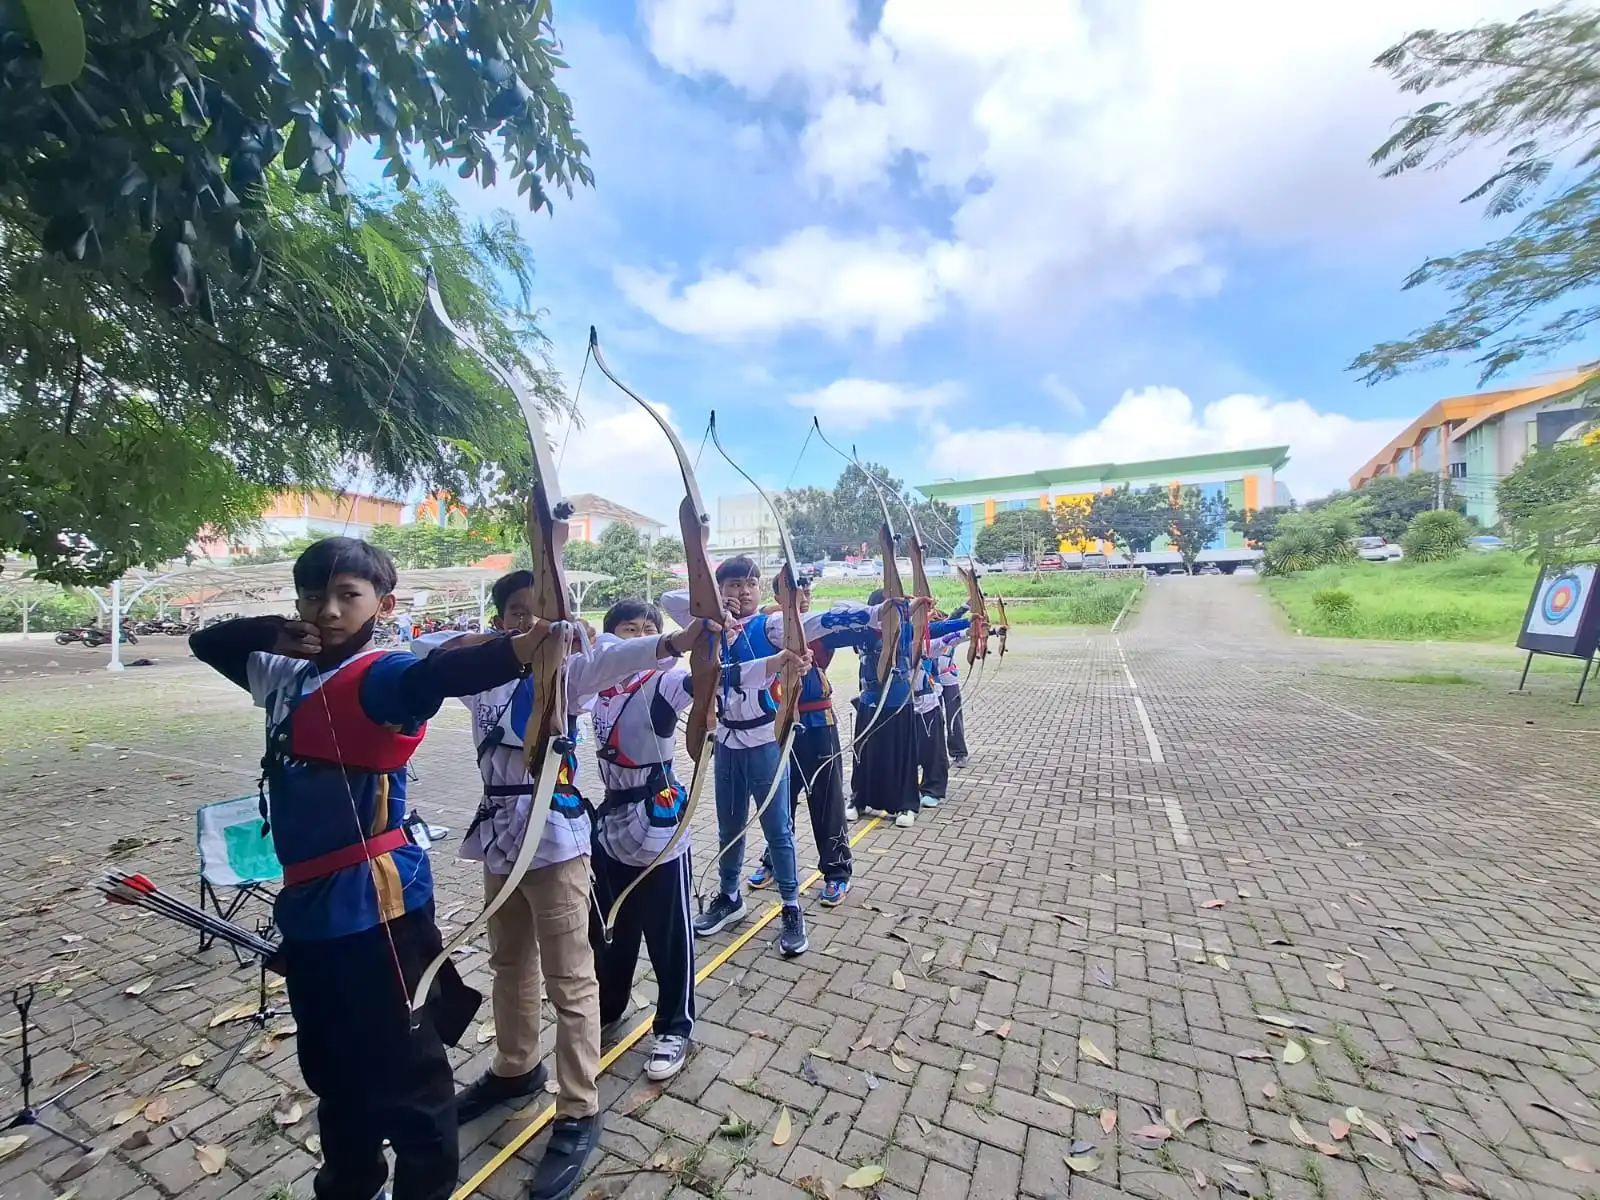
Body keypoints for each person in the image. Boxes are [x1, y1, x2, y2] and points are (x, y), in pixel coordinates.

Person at [189, 537, 550, 1200]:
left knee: (408, 1078)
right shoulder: (284, 672)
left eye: (347, 596)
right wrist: (278, 631)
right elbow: (207, 643)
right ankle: (351, 1185)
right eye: (313, 596)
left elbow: (435, 676)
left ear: (383, 605)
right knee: (332, 1067)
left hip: (378, 909)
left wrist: (526, 647)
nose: (328, 611)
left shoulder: (382, 675)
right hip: (309, 910)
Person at [411, 572, 715, 1200]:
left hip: (553, 836)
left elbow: (620, 657)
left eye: (540, 611)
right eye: (516, 613)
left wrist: (675, 642)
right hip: (499, 836)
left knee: (571, 976)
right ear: (501, 621)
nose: (529, 622)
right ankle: (515, 1067)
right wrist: (502, 642)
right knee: (508, 962)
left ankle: (578, 1105)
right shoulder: (485, 676)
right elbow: (424, 649)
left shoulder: (568, 674)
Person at [586, 599, 801, 1081]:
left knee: (668, 934)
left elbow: (716, 679)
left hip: (658, 823)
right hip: (611, 822)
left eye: (650, 628)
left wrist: (775, 662)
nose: (642, 636)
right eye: (629, 629)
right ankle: (608, 1006)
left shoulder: (662, 682)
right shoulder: (592, 685)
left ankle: (673, 1026)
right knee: (612, 929)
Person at [661, 557, 879, 956]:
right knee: (729, 827)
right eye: (733, 584)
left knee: (778, 829)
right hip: (726, 742)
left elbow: (816, 622)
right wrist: (716, 608)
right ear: (720, 589)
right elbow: (668, 598)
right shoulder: (709, 625)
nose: (742, 591)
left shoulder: (771, 626)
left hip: (765, 742)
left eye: (749, 584)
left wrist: (879, 613)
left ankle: (791, 907)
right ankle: (730, 897)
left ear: (760, 590)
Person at [749, 576, 854, 905]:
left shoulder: (817, 626)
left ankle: (837, 872)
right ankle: (774, 861)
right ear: (778, 596)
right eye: (795, 594)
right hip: (780, 723)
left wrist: (889, 614)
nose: (804, 599)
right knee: (779, 798)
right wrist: (773, 610)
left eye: (807, 593)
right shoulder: (766, 629)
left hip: (818, 723)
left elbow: (854, 626)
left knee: (826, 798)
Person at [846, 593, 968, 829]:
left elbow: (936, 629)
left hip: (899, 702)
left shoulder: (904, 632)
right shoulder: (863, 633)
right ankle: (859, 800)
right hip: (870, 701)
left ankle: (906, 805)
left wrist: (968, 623)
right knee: (865, 754)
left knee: (902, 755)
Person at [913, 626, 969, 810]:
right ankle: (907, 787)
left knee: (933, 748)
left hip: (927, 701)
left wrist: (968, 630)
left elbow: (944, 639)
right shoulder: (897, 643)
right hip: (904, 704)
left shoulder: (925, 643)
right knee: (907, 749)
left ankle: (933, 790)